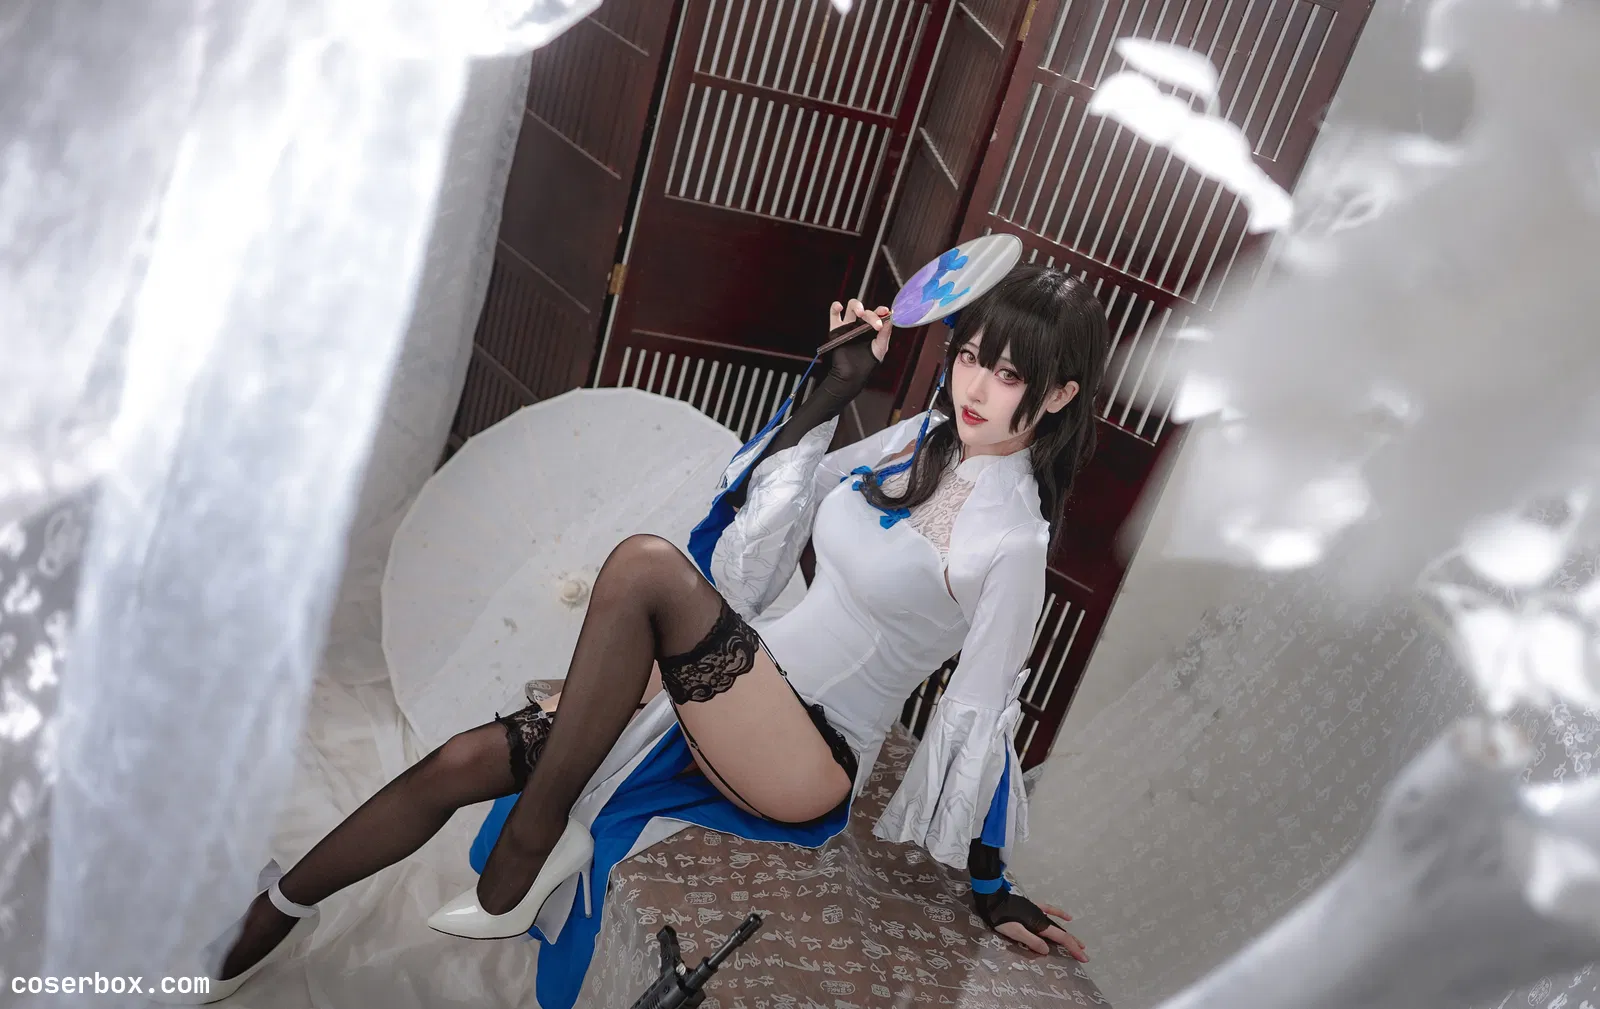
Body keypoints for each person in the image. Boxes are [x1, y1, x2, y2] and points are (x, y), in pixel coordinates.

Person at [171, 263, 1107, 1006]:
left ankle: (529, 846)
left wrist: (992, 885)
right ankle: (273, 910)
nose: (977, 386)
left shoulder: (1013, 542)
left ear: (1060, 395)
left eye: (1010, 375)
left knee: (649, 569)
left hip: (809, 756)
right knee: (461, 758)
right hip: (737, 688)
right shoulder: (916, 439)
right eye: (971, 356)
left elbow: (985, 713)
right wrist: (833, 393)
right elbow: (765, 534)